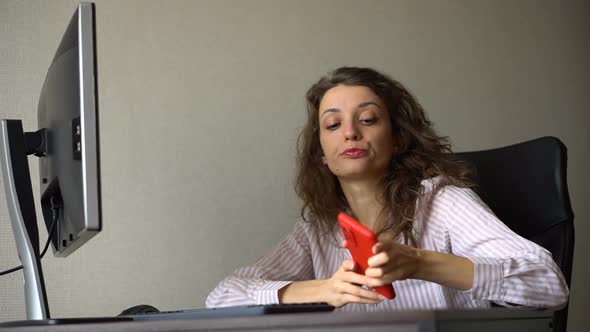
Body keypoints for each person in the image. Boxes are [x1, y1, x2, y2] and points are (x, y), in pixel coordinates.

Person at [206, 67, 569, 311]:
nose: (350, 132)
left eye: (367, 119)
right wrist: (323, 290)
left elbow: (549, 284)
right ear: (321, 155)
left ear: (396, 139)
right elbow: (222, 296)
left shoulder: (441, 201)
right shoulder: (318, 231)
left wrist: (419, 262)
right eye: (332, 125)